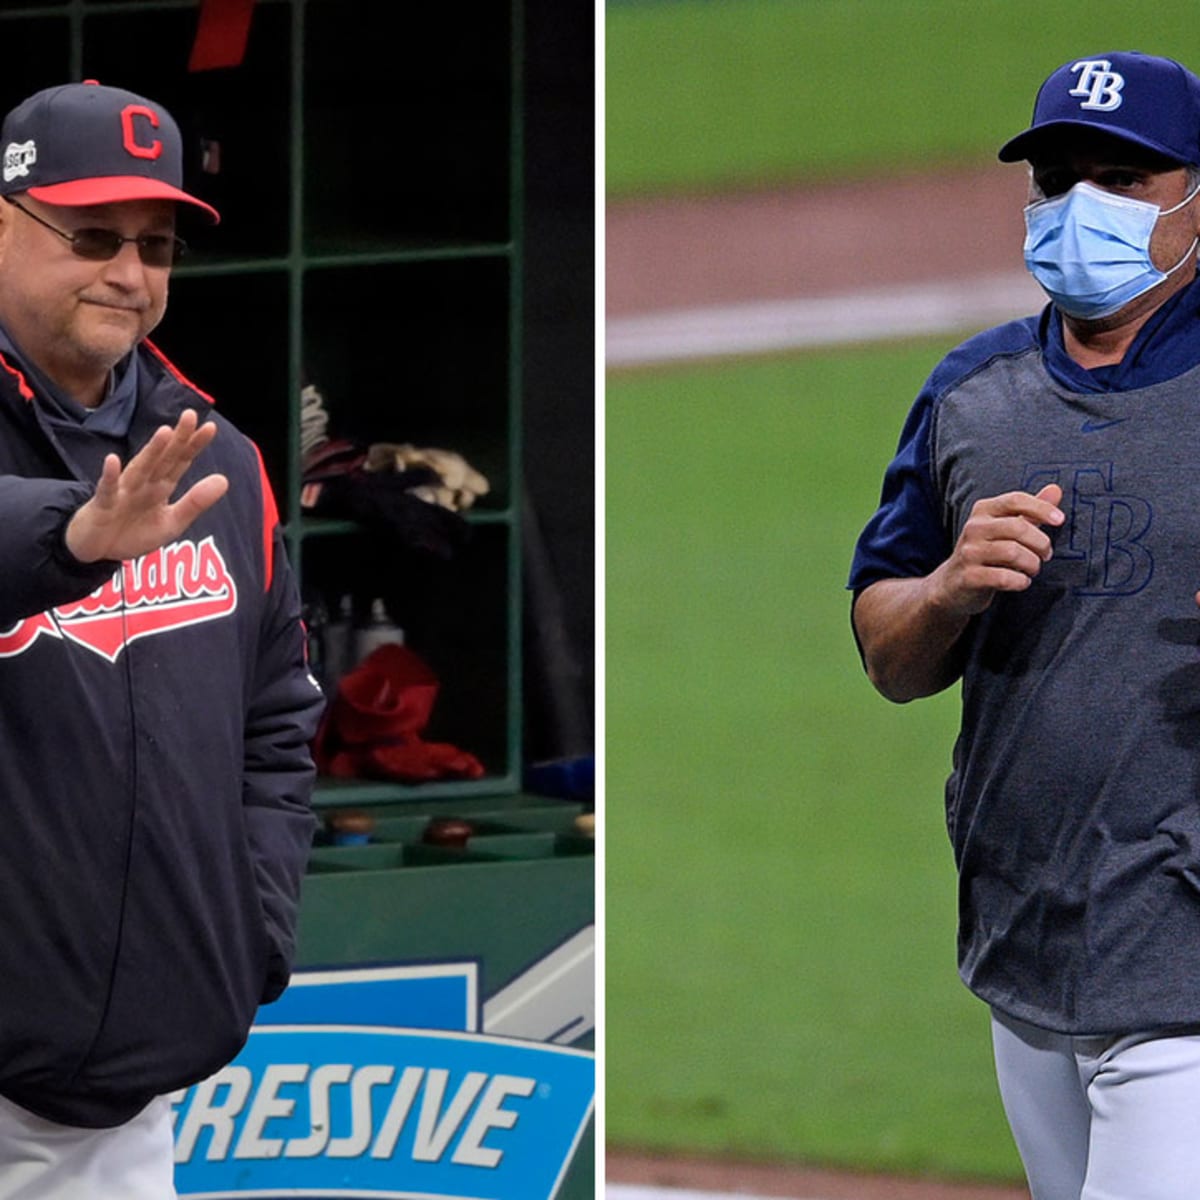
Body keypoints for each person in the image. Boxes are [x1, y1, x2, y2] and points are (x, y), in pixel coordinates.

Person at [850, 51, 1200, 1200]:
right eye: (1058, 179)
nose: (1079, 208)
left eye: (1123, 179)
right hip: (1027, 931)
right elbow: (889, 653)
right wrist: (948, 587)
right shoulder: (973, 395)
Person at [0, 80, 324, 1197]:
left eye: (156, 245)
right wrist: (71, 535)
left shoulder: (218, 462)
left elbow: (277, 719)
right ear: (3, 223)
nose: (130, 276)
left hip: (127, 1101)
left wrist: (249, 929)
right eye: (92, 236)